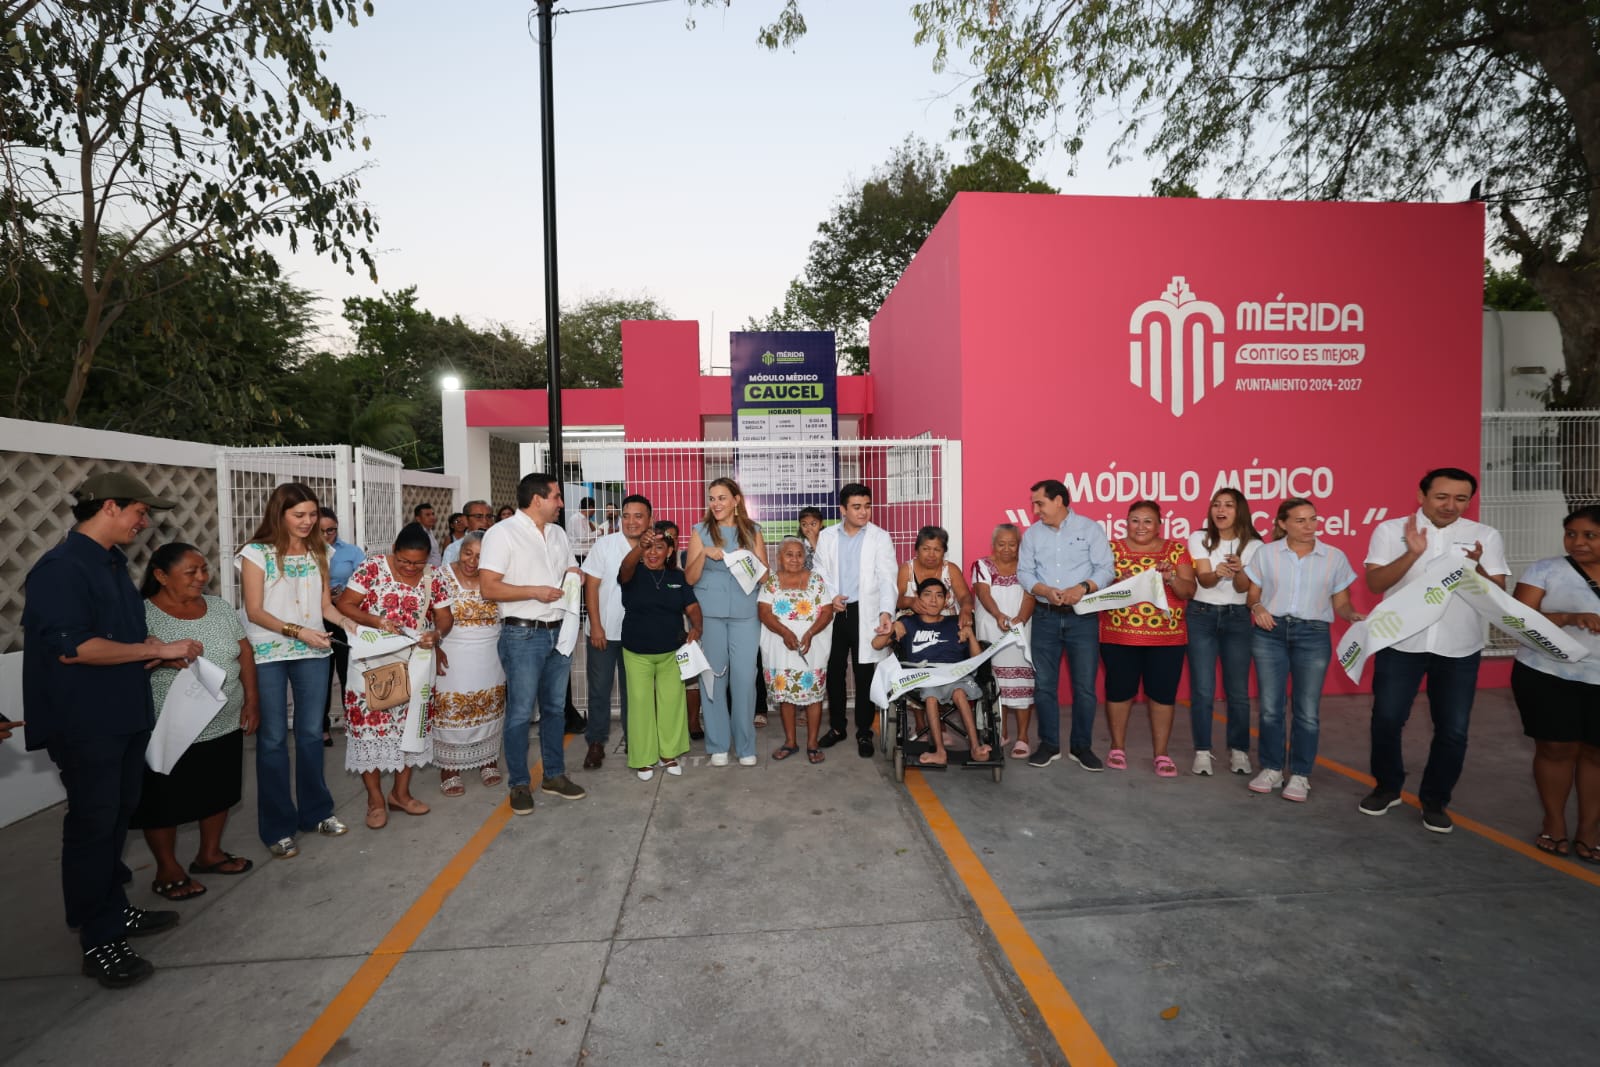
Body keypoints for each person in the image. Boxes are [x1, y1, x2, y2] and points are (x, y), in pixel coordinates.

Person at [22, 473, 204, 988]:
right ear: (108, 506)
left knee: (117, 817)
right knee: (93, 825)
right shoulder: (60, 569)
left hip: (122, 714)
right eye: (140, 512)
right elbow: (73, 648)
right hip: (86, 723)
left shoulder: (110, 563)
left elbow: (114, 640)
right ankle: (99, 940)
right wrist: (156, 650)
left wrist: (145, 652)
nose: (145, 521)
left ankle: (115, 908)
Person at [1359, 468, 1509, 833]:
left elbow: (1499, 593)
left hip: (1458, 647)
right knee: (1387, 719)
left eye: (1461, 499)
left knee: (1453, 730)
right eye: (1442, 496)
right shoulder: (1391, 530)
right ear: (1421, 495)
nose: (1451, 505)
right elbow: (1375, 582)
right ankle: (1387, 786)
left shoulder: (1484, 535)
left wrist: (1477, 569)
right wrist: (1411, 554)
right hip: (1400, 642)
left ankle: (1435, 799)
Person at [133, 543, 259, 901]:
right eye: (191, 572)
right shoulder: (142, 615)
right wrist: (159, 657)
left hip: (223, 722)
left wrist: (252, 701)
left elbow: (244, 652)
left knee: (217, 790)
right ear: (160, 575)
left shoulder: (218, 607)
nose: (202, 577)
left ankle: (210, 853)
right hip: (171, 727)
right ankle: (168, 868)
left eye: (203, 569)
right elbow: (133, 660)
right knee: (163, 799)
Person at [238, 482, 354, 859]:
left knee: (310, 735)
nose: (307, 522)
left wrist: (355, 625)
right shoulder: (255, 553)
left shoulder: (320, 550)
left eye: (312, 514)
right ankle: (277, 827)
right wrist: (297, 631)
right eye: (298, 515)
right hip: (269, 652)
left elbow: (326, 607)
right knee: (272, 740)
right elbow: (255, 611)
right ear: (280, 513)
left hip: (313, 650)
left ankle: (317, 812)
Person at [479, 472, 587, 814]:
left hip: (559, 631)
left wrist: (574, 576)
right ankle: (519, 784)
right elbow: (489, 588)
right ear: (537, 499)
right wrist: (534, 591)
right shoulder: (501, 534)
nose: (560, 503)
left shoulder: (557, 533)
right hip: (522, 634)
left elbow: (571, 567)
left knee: (555, 709)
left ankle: (554, 775)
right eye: (556, 496)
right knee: (521, 713)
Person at [1244, 498, 1365, 803]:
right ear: (1282, 524)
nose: (1309, 526)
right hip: (1269, 634)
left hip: (1313, 635)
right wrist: (1257, 607)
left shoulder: (1334, 557)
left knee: (1307, 711)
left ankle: (1300, 774)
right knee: (1271, 708)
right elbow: (1253, 594)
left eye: (1313, 519)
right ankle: (1271, 769)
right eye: (1300, 520)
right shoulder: (1266, 553)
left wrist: (1350, 615)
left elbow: (1341, 601)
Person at [335, 522, 453, 827]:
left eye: (418, 562)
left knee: (411, 727)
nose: (411, 567)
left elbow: (444, 616)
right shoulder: (372, 568)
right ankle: (375, 800)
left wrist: (436, 635)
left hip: (415, 665)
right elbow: (345, 604)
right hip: (370, 662)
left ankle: (400, 794)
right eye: (404, 561)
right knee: (369, 729)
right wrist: (376, 620)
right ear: (393, 553)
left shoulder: (434, 576)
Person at [1509, 505, 1600, 861]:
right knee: (1555, 749)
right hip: (1546, 674)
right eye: (1571, 534)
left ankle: (1589, 829)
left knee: (1596, 754)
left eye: (1590, 536)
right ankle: (1555, 823)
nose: (1578, 542)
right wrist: (1567, 617)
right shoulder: (1545, 570)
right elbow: (1518, 620)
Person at [1019, 478, 1115, 770]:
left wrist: (1083, 588)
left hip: (1083, 617)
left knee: (1084, 687)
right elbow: (1024, 573)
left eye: (1040, 503)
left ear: (1059, 501)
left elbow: (1106, 569)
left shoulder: (1090, 529)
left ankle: (1081, 746)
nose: (1036, 510)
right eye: (1034, 503)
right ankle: (1048, 744)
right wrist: (1044, 590)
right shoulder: (1032, 535)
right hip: (1046, 616)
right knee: (1045, 685)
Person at [1100, 501, 1196, 777]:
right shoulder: (1110, 549)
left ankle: (1161, 754)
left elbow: (1189, 590)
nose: (1140, 527)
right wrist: (1120, 584)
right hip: (1119, 636)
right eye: (1135, 520)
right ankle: (1117, 748)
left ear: (1159, 524)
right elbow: (1096, 589)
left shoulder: (1176, 550)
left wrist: (1170, 578)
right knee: (1119, 693)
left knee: (1163, 696)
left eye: (1147, 521)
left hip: (1167, 639)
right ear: (1126, 522)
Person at [685, 477, 768, 766]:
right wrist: (704, 555)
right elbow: (690, 578)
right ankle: (717, 743)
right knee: (713, 679)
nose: (716, 503)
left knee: (745, 681)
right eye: (712, 498)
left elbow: (765, 576)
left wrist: (749, 560)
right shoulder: (699, 531)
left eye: (721, 497)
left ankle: (746, 747)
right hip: (710, 615)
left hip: (746, 614)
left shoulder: (753, 531)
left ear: (736, 500)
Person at [814, 482, 898, 758]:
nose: (864, 512)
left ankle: (864, 731)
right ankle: (837, 727)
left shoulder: (879, 537)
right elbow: (819, 572)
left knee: (865, 675)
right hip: (836, 612)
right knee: (834, 673)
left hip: (867, 612)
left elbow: (888, 577)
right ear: (843, 509)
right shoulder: (827, 537)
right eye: (857, 507)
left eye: (867, 506)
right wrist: (831, 596)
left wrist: (886, 611)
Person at [1186, 488, 1263, 776]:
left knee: (1238, 691)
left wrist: (1240, 570)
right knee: (1203, 689)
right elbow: (1204, 581)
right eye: (1216, 504)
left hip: (1238, 618)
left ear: (1239, 510)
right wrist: (1218, 572)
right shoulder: (1200, 537)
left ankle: (1239, 750)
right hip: (1201, 616)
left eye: (1229, 505)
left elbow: (1245, 588)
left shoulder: (1254, 545)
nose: (1221, 510)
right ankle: (1203, 752)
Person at [875, 578, 991, 766]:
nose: (933, 600)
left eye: (939, 595)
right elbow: (876, 644)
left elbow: (978, 660)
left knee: (960, 693)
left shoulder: (956, 622)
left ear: (946, 600)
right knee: (930, 696)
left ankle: (976, 747)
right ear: (918, 598)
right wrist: (891, 629)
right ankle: (939, 751)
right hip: (924, 677)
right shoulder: (908, 622)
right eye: (927, 595)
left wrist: (970, 635)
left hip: (955, 674)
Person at [619, 522, 703, 780]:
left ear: (669, 551)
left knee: (671, 704)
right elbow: (625, 568)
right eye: (648, 548)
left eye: (659, 548)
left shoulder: (677, 578)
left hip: (671, 653)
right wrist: (638, 548)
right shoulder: (632, 575)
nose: (652, 553)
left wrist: (697, 626)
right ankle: (644, 760)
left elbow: (692, 607)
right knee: (641, 705)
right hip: (637, 652)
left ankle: (668, 755)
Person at [581, 494, 652, 769]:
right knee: (599, 689)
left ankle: (635, 740)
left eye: (638, 516)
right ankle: (596, 742)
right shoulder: (605, 545)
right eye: (626, 515)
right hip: (604, 632)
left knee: (633, 690)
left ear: (649, 520)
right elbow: (592, 587)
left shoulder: (655, 549)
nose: (631, 521)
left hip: (637, 634)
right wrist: (596, 625)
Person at [433, 530, 505, 795]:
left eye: (480, 556)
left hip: (490, 655)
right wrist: (435, 647)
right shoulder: (440, 576)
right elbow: (426, 615)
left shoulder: (496, 579)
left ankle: (488, 760)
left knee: (489, 707)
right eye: (468, 553)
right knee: (451, 711)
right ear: (459, 550)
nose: (472, 561)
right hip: (451, 655)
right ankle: (449, 767)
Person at [759, 536, 834, 763]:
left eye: (799, 554)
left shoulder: (816, 581)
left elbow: (827, 611)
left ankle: (812, 744)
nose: (794, 559)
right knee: (786, 697)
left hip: (812, 647)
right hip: (780, 649)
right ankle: (790, 742)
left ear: (805, 557)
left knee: (813, 697)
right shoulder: (771, 582)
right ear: (779, 558)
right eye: (789, 554)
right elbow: (764, 612)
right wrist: (785, 632)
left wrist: (809, 633)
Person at [972, 523, 1036, 759]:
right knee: (994, 684)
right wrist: (999, 615)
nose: (1007, 549)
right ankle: (1000, 731)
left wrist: (1020, 619)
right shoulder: (981, 565)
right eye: (1001, 544)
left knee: (1021, 686)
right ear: (993, 545)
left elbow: (1030, 596)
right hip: (990, 632)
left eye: (1012, 544)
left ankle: (1023, 737)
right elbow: (983, 593)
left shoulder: (1027, 568)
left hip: (1019, 634)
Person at [318, 507, 366, 747]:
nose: (327, 535)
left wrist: (343, 595)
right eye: (322, 531)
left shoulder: (352, 551)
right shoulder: (305, 553)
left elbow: (365, 580)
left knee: (349, 673)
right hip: (317, 620)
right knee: (321, 676)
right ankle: (322, 727)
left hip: (345, 617)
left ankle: (353, 722)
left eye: (332, 530)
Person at [895, 525, 975, 621]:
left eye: (937, 550)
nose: (931, 555)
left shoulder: (951, 569)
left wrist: (966, 610)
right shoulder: (906, 569)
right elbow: (896, 599)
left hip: (947, 626)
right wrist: (910, 602)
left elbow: (965, 596)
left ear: (944, 552)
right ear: (917, 550)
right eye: (926, 549)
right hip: (913, 627)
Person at [443, 500, 493, 566]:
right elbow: (447, 575)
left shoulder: (500, 544)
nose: (485, 521)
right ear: (465, 520)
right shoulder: (454, 549)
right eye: (478, 516)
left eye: (489, 517)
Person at [566, 495, 599, 560]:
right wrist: (599, 532)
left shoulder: (585, 520)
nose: (595, 511)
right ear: (590, 507)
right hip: (579, 556)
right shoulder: (576, 519)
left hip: (585, 555)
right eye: (594, 508)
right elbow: (583, 538)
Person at [797, 506, 824, 570]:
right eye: (804, 525)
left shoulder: (827, 542)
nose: (809, 528)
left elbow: (827, 563)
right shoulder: (798, 544)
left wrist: (813, 542)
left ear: (821, 524)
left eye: (813, 524)